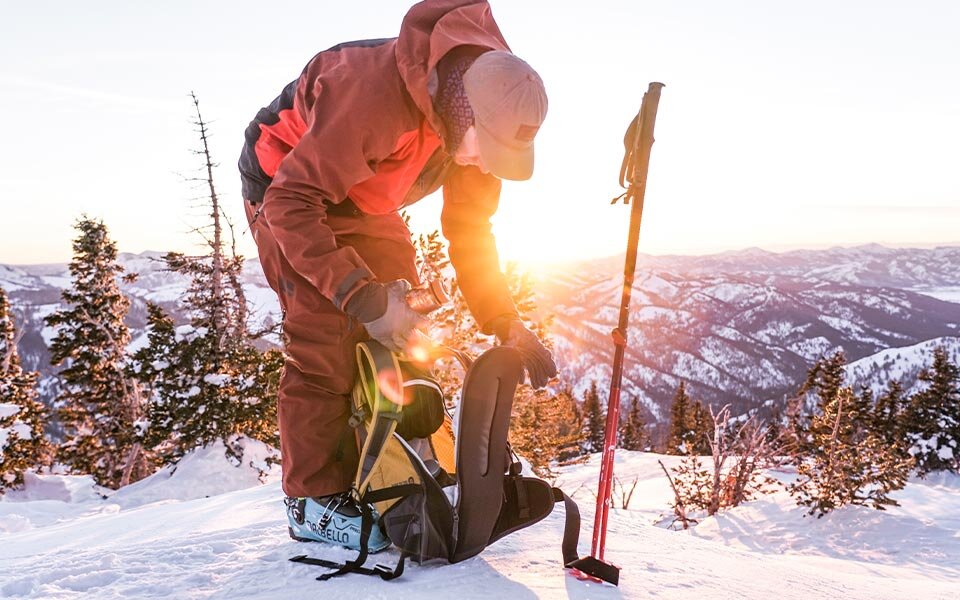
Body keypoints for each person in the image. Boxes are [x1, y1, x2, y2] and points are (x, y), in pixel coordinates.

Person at [238, 0, 557, 551]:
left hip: (365, 198)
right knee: (327, 331)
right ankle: (309, 501)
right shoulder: (371, 98)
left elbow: (470, 228)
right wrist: (360, 296)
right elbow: (294, 201)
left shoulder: (485, 114)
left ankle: (403, 468)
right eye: (491, 153)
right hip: (285, 185)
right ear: (466, 115)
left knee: (406, 326)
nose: (488, 166)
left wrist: (502, 316)